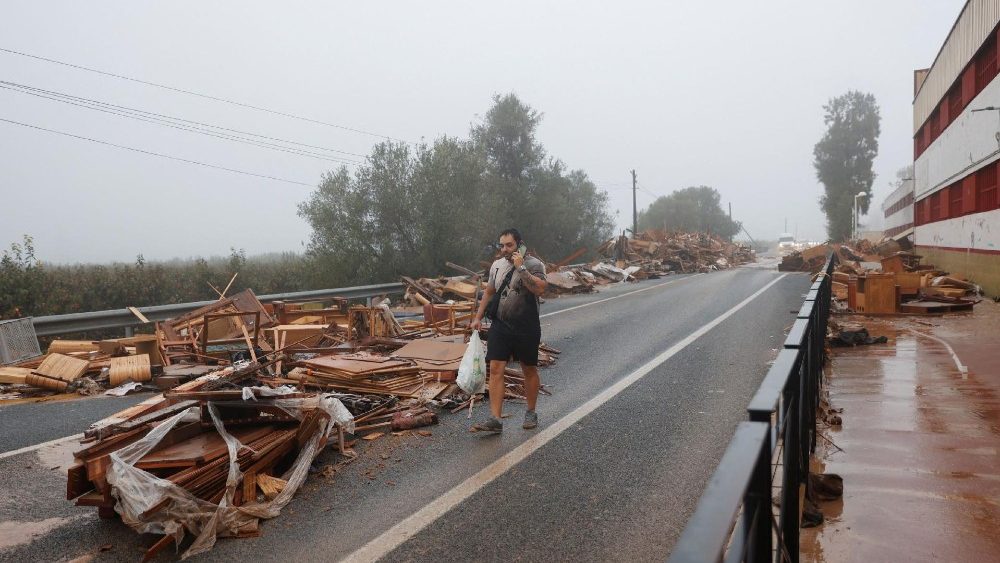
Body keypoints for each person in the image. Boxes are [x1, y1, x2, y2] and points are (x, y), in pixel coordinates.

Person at [470, 228, 548, 432]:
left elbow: (539, 288)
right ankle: (495, 419)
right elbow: (489, 292)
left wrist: (521, 268)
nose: (504, 249)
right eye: (502, 245)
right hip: (501, 324)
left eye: (509, 245)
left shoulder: (534, 264)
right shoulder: (497, 266)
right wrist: (478, 318)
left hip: (527, 326)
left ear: (520, 244)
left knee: (528, 369)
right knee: (496, 368)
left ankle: (531, 412)